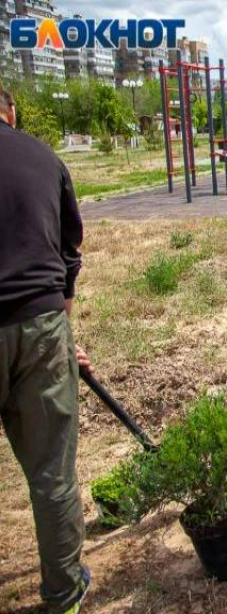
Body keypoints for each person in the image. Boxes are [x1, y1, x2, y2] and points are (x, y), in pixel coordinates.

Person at [0, 85, 92, 614]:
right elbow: (69, 253)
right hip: (40, 320)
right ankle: (65, 594)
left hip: (36, 319)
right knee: (53, 471)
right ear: (11, 112)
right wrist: (62, 337)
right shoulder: (44, 157)